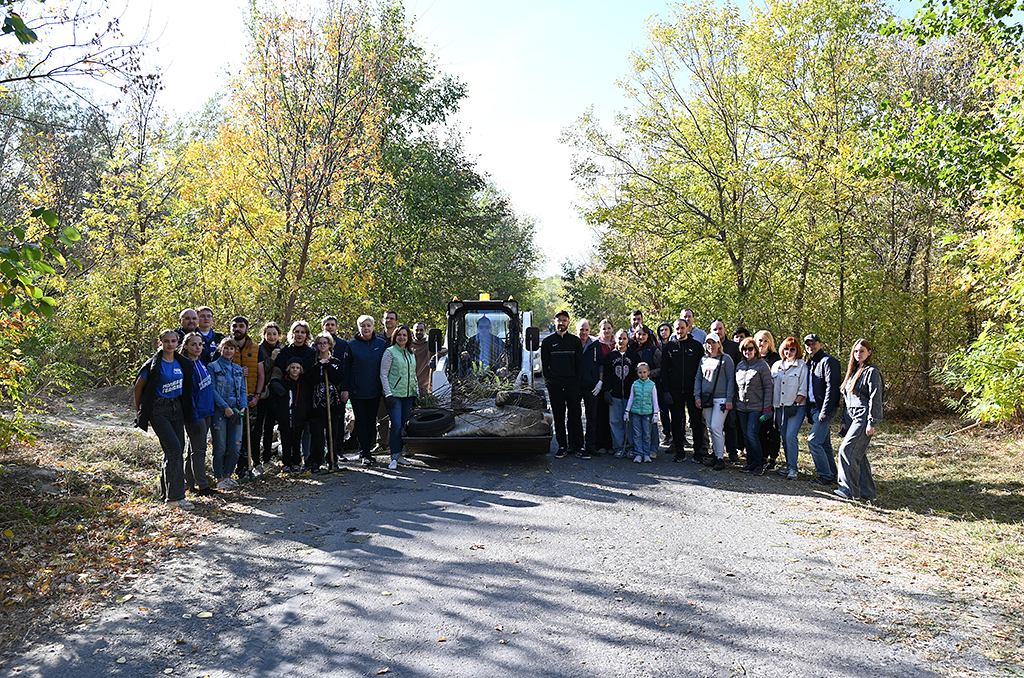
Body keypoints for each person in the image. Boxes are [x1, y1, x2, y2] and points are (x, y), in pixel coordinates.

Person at [133, 329, 195, 509]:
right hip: (158, 410)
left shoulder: (182, 362)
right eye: (166, 341)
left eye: (173, 341)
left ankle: (166, 493)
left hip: (177, 408)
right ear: (160, 343)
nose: (170, 344)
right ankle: (175, 499)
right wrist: (140, 412)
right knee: (174, 449)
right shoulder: (152, 364)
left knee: (176, 450)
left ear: (178, 343)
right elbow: (138, 388)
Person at [835, 340, 884, 501]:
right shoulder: (854, 371)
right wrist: (844, 420)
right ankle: (868, 493)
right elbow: (848, 398)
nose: (858, 354)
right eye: (856, 351)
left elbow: (875, 397)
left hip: (863, 418)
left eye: (862, 351)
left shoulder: (871, 371)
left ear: (869, 352)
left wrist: (872, 421)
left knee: (846, 451)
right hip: (852, 418)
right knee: (859, 455)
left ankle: (849, 490)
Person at [343, 315, 388, 466]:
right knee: (361, 422)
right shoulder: (352, 345)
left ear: (373, 326)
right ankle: (364, 453)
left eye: (368, 325)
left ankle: (368, 450)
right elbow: (346, 369)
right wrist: (346, 389)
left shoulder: (381, 344)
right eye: (362, 326)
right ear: (358, 328)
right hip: (357, 391)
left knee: (371, 422)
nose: (366, 328)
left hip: (375, 390)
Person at [542, 310, 586, 459]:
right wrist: (550, 383)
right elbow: (545, 366)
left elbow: (580, 364)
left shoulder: (575, 341)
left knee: (575, 417)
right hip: (556, 386)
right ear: (555, 322)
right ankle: (562, 446)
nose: (561, 323)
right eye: (559, 320)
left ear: (568, 322)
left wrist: (577, 383)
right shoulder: (547, 342)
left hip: (572, 385)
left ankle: (579, 446)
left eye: (564, 320)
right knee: (559, 417)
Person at [662, 319, 706, 462]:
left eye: (682, 328)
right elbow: (664, 371)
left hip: (693, 390)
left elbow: (702, 370)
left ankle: (698, 451)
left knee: (696, 421)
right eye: (677, 328)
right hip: (675, 390)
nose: (680, 331)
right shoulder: (669, 347)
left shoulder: (697, 346)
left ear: (687, 328)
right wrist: (666, 391)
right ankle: (680, 450)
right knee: (676, 421)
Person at [179, 332, 217, 496]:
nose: (198, 347)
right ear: (186, 346)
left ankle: (190, 483)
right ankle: (203, 487)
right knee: (199, 450)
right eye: (194, 344)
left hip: (207, 411)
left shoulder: (199, 362)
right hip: (197, 415)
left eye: (200, 344)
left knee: (192, 450)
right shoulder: (186, 366)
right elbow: (188, 395)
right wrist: (193, 417)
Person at [226, 316, 263, 479]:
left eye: (241, 326)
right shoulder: (225, 348)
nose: (237, 329)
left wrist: (257, 396)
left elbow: (261, 375)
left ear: (247, 329)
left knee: (249, 434)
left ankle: (245, 469)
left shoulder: (256, 348)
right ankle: (227, 471)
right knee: (232, 435)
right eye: (234, 326)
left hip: (250, 397)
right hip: (231, 399)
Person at [208, 338, 246, 489]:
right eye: (226, 348)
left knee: (235, 447)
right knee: (220, 447)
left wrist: (243, 407)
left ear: (235, 351)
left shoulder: (238, 369)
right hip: (219, 411)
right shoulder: (213, 367)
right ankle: (219, 479)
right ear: (220, 349)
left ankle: (228, 476)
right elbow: (211, 389)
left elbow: (242, 389)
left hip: (237, 411)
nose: (228, 351)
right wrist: (224, 407)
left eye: (231, 348)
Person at [805, 333, 842, 485]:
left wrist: (825, 412)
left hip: (824, 409)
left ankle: (825, 476)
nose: (811, 347)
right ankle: (832, 474)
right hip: (814, 408)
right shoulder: (810, 363)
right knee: (824, 443)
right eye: (808, 344)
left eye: (814, 343)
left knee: (813, 441)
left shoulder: (828, 361)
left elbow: (832, 388)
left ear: (820, 344)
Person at [694, 332, 734, 470]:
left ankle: (721, 458)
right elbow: (698, 378)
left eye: (713, 343)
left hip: (721, 399)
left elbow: (730, 380)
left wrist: (729, 399)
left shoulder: (726, 359)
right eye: (708, 343)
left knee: (716, 427)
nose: (711, 346)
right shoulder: (703, 360)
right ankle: (716, 455)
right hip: (706, 399)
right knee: (711, 427)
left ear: (719, 344)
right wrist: (697, 396)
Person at [598, 330, 640, 459]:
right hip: (614, 395)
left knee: (631, 422)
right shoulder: (611, 356)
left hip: (630, 395)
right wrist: (606, 391)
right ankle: (619, 447)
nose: (621, 341)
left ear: (628, 340)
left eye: (624, 338)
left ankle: (631, 447)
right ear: (615, 340)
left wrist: (637, 391)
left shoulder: (634, 355)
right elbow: (607, 375)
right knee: (615, 422)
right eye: (619, 338)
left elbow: (637, 374)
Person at [307, 332, 345, 473]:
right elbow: (311, 379)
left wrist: (328, 366)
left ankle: (332, 460)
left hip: (333, 402)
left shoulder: (336, 362)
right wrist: (319, 366)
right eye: (319, 343)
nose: (322, 345)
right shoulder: (313, 362)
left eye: (325, 343)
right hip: (317, 403)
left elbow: (338, 378)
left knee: (333, 433)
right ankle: (316, 461)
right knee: (317, 434)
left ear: (330, 345)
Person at [734, 337, 773, 475]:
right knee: (745, 435)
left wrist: (767, 409)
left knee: (752, 434)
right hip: (741, 408)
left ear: (755, 350)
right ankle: (750, 462)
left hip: (757, 408)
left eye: (750, 348)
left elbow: (769, 388)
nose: (747, 351)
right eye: (745, 349)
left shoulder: (762, 365)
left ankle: (759, 463)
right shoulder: (740, 366)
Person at [380, 325, 418, 470]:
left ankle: (400, 454)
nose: (402, 337)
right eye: (399, 335)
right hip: (394, 395)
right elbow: (383, 374)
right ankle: (394, 456)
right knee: (395, 425)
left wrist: (417, 392)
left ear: (408, 337)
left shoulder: (410, 352)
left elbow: (413, 374)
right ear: (395, 337)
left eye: (404, 335)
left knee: (403, 425)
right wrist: (388, 394)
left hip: (408, 395)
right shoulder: (389, 352)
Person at [772, 337, 808, 480]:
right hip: (780, 407)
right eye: (786, 348)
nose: (789, 351)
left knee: (790, 436)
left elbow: (803, 389)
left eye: (792, 349)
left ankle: (793, 468)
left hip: (796, 407)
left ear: (797, 350)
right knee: (785, 438)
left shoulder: (802, 366)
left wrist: (796, 404)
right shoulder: (776, 365)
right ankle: (789, 466)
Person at [711, 318, 743, 463]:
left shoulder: (734, 347)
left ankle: (732, 451)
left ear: (725, 330)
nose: (718, 331)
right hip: (712, 393)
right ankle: (716, 451)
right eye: (715, 329)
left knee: (730, 423)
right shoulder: (708, 348)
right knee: (713, 424)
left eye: (720, 329)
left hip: (730, 391)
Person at [581, 319, 614, 455]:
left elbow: (601, 363)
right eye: (603, 328)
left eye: (587, 330)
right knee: (583, 416)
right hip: (582, 385)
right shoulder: (577, 343)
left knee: (601, 416)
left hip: (600, 384)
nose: (584, 332)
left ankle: (601, 444)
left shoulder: (612, 343)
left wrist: (600, 382)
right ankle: (583, 444)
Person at [271, 359, 310, 472]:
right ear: (288, 369)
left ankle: (296, 462)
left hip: (299, 416)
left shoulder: (303, 384)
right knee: (286, 441)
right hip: (285, 416)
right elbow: (275, 400)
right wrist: (279, 413)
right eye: (293, 367)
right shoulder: (282, 382)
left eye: (297, 368)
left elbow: (306, 399)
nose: (295, 370)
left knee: (297, 440)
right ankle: (286, 463)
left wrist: (304, 412)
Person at [630, 325, 662, 457]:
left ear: (648, 335)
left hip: (651, 386)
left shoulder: (654, 350)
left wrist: (648, 375)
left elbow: (661, 367)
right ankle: (637, 449)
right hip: (636, 387)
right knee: (637, 420)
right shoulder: (632, 348)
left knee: (651, 420)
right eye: (638, 334)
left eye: (644, 334)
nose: (641, 336)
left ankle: (653, 447)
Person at [255, 322, 283, 471]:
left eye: (274, 334)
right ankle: (256, 461)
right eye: (269, 334)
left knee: (269, 427)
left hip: (275, 395)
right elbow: (262, 372)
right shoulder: (259, 350)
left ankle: (267, 458)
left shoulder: (282, 350)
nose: (272, 337)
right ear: (264, 335)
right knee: (257, 427)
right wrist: (272, 358)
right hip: (261, 393)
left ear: (279, 335)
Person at [755, 330, 782, 469]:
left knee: (773, 429)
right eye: (760, 340)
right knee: (760, 429)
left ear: (770, 342)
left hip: (772, 400)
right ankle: (763, 456)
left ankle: (773, 457)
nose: (762, 343)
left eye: (766, 340)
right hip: (757, 400)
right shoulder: (753, 356)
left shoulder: (776, 358)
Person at [625, 362, 659, 463]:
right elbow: (631, 398)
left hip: (647, 413)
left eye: (644, 372)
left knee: (647, 434)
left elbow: (655, 400)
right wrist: (627, 411)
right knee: (637, 434)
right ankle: (638, 453)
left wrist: (656, 413)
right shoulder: (635, 384)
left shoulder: (652, 385)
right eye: (640, 372)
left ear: (648, 372)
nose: (642, 374)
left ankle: (646, 453)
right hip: (636, 412)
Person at [411, 321, 446, 394]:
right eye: (417, 330)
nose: (419, 332)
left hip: (424, 386)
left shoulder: (430, 344)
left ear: (425, 331)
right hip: (410, 384)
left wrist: (437, 355)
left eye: (421, 330)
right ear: (413, 331)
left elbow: (445, 350)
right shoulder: (408, 344)